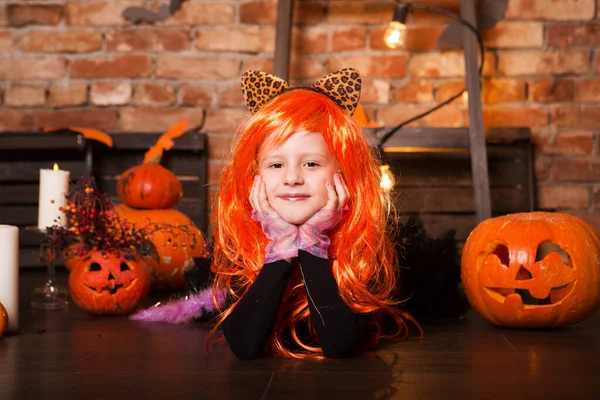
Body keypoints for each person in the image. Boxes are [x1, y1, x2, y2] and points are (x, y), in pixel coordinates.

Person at [208, 68, 419, 360]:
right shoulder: (240, 246)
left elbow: (339, 343)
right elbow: (244, 346)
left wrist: (312, 241)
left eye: (311, 164)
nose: (292, 178)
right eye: (276, 165)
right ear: (255, 176)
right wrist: (281, 244)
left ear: (342, 173)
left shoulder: (363, 248)